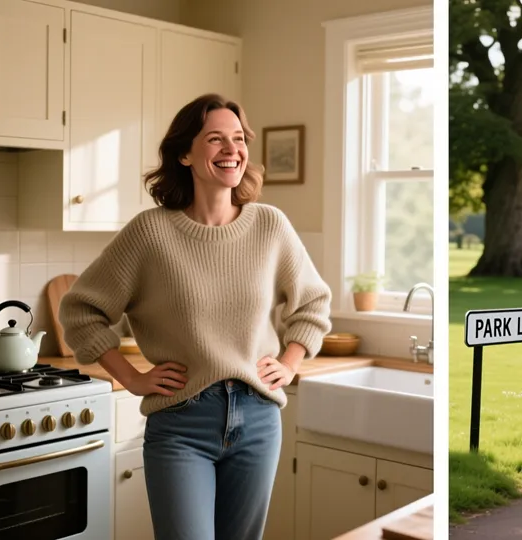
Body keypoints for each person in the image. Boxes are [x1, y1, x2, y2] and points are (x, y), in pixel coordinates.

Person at [58, 94, 332, 540]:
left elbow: (313, 302)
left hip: (259, 418)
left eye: (239, 139)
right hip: (182, 424)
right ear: (184, 153)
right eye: (216, 139)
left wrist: (290, 362)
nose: (232, 150)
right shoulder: (150, 233)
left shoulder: (270, 226)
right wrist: (132, 378)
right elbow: (80, 310)